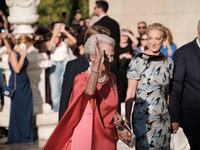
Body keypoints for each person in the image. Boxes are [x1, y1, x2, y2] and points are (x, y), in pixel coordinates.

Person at [43, 34, 122, 150]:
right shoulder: (81, 78)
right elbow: (90, 92)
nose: (109, 60)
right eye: (104, 56)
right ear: (93, 57)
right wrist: (96, 65)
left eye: (112, 56)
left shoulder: (111, 78)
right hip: (88, 137)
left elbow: (109, 104)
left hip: (108, 137)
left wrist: (116, 115)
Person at [125, 23, 174, 149]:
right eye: (150, 38)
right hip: (143, 118)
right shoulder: (137, 61)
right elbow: (130, 92)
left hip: (163, 118)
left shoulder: (168, 63)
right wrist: (127, 119)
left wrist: (173, 117)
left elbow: (167, 93)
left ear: (164, 40)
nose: (153, 42)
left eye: (157, 39)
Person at [59, 25, 111, 121]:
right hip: (82, 121)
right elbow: (65, 99)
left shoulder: (110, 64)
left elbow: (115, 94)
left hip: (105, 122)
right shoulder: (73, 66)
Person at [169, 20, 200, 149]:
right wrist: (175, 117)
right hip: (193, 117)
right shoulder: (183, 53)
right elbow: (175, 89)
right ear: (199, 30)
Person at [6, 34, 34, 144]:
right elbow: (17, 69)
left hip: (25, 83)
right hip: (17, 85)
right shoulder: (13, 53)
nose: (28, 47)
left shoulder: (22, 52)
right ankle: (18, 136)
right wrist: (23, 56)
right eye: (28, 45)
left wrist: (23, 55)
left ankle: (26, 135)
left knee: (27, 108)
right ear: (24, 43)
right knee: (18, 109)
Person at [46, 22, 77, 112]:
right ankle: (56, 112)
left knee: (65, 90)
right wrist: (54, 35)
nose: (58, 29)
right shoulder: (49, 41)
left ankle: (65, 111)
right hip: (54, 66)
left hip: (64, 65)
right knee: (55, 93)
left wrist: (64, 31)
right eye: (56, 27)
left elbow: (74, 41)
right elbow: (49, 48)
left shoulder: (65, 41)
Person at [115, 29, 138, 102]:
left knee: (129, 88)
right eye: (123, 36)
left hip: (128, 70)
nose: (124, 38)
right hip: (119, 70)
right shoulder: (116, 47)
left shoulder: (130, 46)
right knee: (120, 88)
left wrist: (128, 33)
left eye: (126, 36)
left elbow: (136, 42)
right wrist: (122, 56)